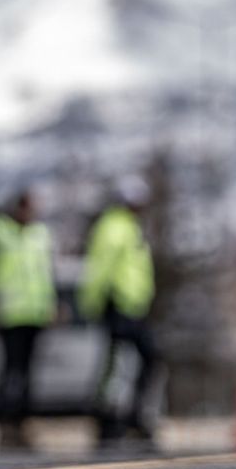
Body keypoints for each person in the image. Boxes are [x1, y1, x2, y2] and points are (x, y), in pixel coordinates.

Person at [79, 176, 158, 446]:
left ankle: (126, 417)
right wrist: (94, 301)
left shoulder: (128, 227)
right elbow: (100, 268)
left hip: (132, 305)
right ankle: (112, 419)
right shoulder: (115, 227)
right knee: (122, 364)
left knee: (136, 361)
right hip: (119, 305)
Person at [0, 190, 56, 450]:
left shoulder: (40, 235)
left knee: (28, 372)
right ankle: (4, 422)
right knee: (10, 371)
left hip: (35, 313)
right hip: (9, 314)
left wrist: (51, 305)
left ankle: (23, 423)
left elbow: (46, 274)